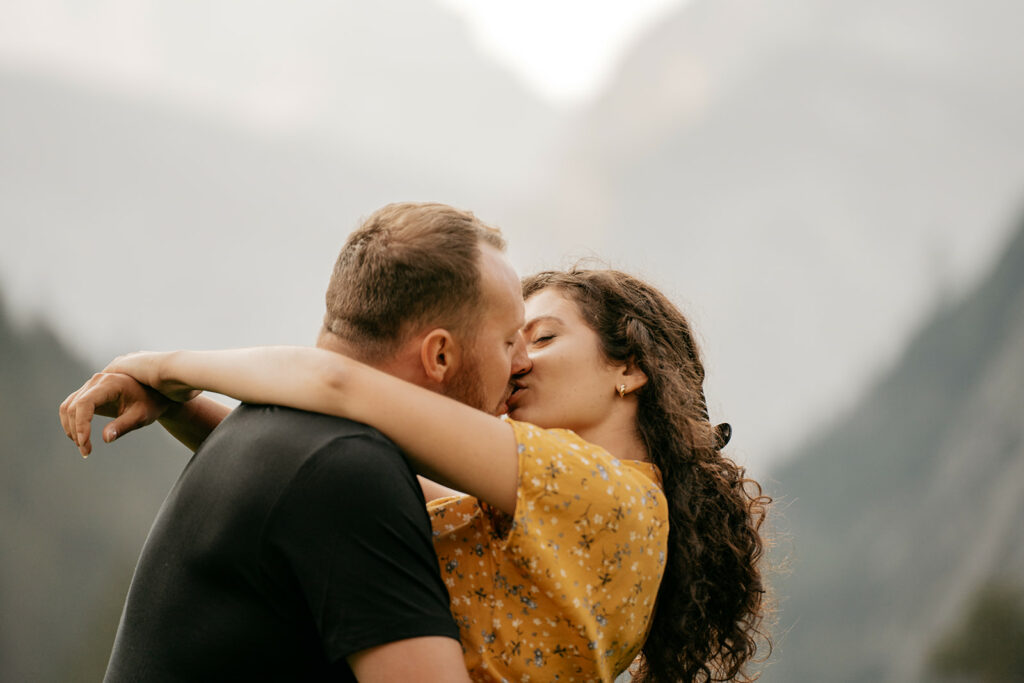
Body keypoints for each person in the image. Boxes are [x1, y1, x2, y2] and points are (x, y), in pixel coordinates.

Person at [64, 263, 772, 680]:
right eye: (509, 342)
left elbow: (340, 388)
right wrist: (181, 412)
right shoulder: (592, 518)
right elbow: (331, 480)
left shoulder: (599, 491)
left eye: (544, 337)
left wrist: (163, 366)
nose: (517, 360)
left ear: (629, 367)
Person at [61, 202, 533, 682]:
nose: (521, 363)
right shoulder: (350, 474)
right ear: (439, 354)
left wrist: (178, 399)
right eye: (508, 340)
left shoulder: (276, 428)